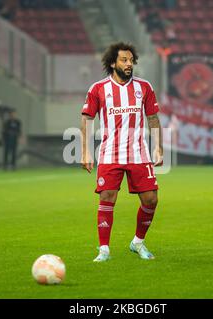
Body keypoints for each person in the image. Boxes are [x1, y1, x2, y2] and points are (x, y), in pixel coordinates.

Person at [81, 42, 163, 262]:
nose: (129, 64)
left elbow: (153, 118)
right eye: (124, 60)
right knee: (107, 196)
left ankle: (137, 242)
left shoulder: (144, 87)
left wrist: (158, 146)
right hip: (110, 153)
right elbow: (87, 118)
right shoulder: (98, 89)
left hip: (139, 153)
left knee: (151, 200)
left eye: (131, 60)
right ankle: (104, 250)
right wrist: (86, 152)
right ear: (112, 63)